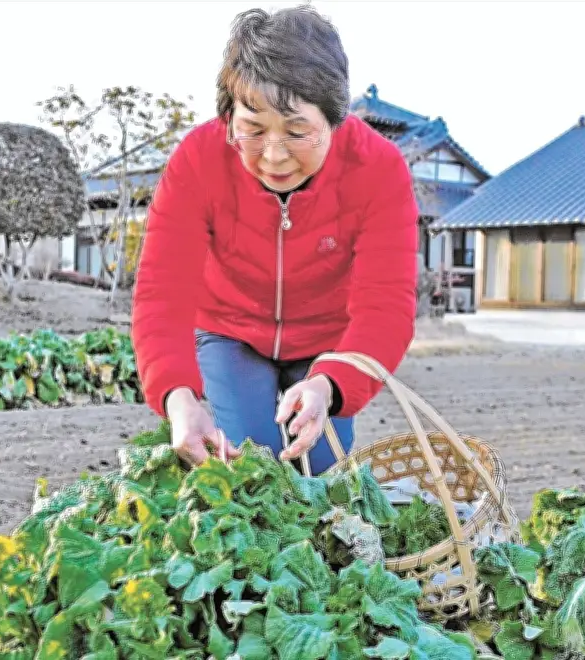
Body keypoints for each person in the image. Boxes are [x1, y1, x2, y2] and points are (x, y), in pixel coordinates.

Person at [131, 5, 419, 475]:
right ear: (229, 117)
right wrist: (178, 397)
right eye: (253, 130)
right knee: (250, 464)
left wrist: (331, 384)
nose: (274, 155)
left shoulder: (378, 169)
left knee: (323, 471)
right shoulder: (198, 159)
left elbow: (386, 305)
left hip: (327, 341)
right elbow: (163, 291)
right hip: (229, 331)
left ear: (335, 120)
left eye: (298, 132)